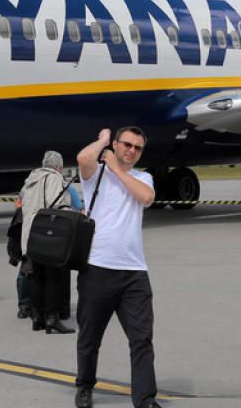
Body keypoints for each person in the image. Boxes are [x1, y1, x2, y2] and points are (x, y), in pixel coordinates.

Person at [73, 127, 158, 408]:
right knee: (90, 336)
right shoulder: (95, 174)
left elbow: (146, 197)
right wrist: (102, 141)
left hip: (134, 272)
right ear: (116, 144)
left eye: (137, 148)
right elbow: (83, 158)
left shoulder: (143, 178)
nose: (131, 151)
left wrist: (117, 168)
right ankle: (85, 385)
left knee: (141, 338)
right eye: (126, 145)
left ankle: (145, 398)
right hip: (97, 268)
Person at [20, 150, 75, 334]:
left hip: (30, 234)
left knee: (37, 277)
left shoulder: (30, 180)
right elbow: (57, 203)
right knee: (53, 277)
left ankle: (37, 318)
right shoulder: (54, 178)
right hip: (48, 235)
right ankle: (52, 318)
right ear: (58, 166)